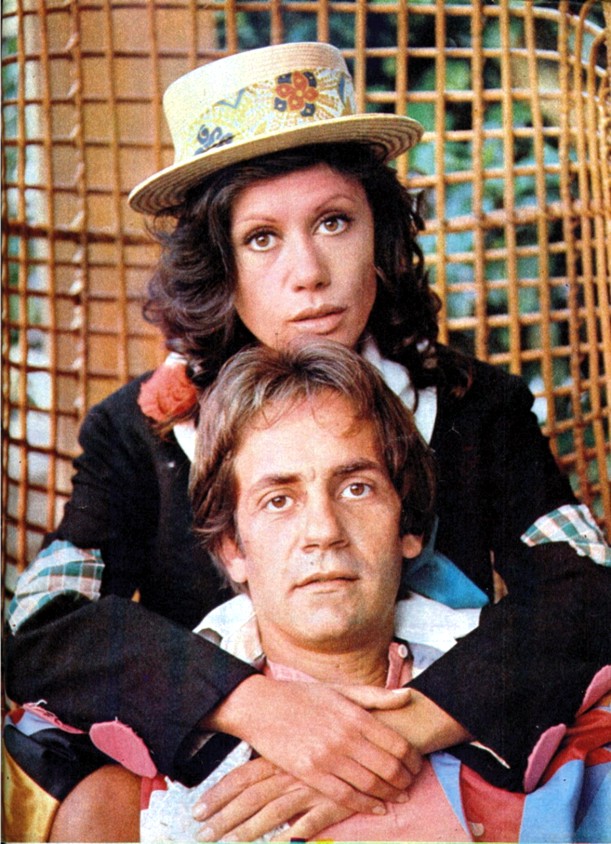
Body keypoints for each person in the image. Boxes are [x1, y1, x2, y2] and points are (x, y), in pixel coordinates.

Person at [4, 42, 610, 843]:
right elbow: (46, 622)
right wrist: (258, 708)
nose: (308, 273)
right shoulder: (142, 430)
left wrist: (396, 732)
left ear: (378, 236)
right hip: (221, 778)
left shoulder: (471, 406)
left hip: (437, 761)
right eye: (262, 238)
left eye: (333, 222)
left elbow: (587, 589)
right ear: (219, 264)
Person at [51, 341, 611, 842]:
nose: (323, 530)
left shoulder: (560, 736)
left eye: (357, 488)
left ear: (409, 527)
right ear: (232, 547)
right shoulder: (130, 799)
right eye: (279, 500)